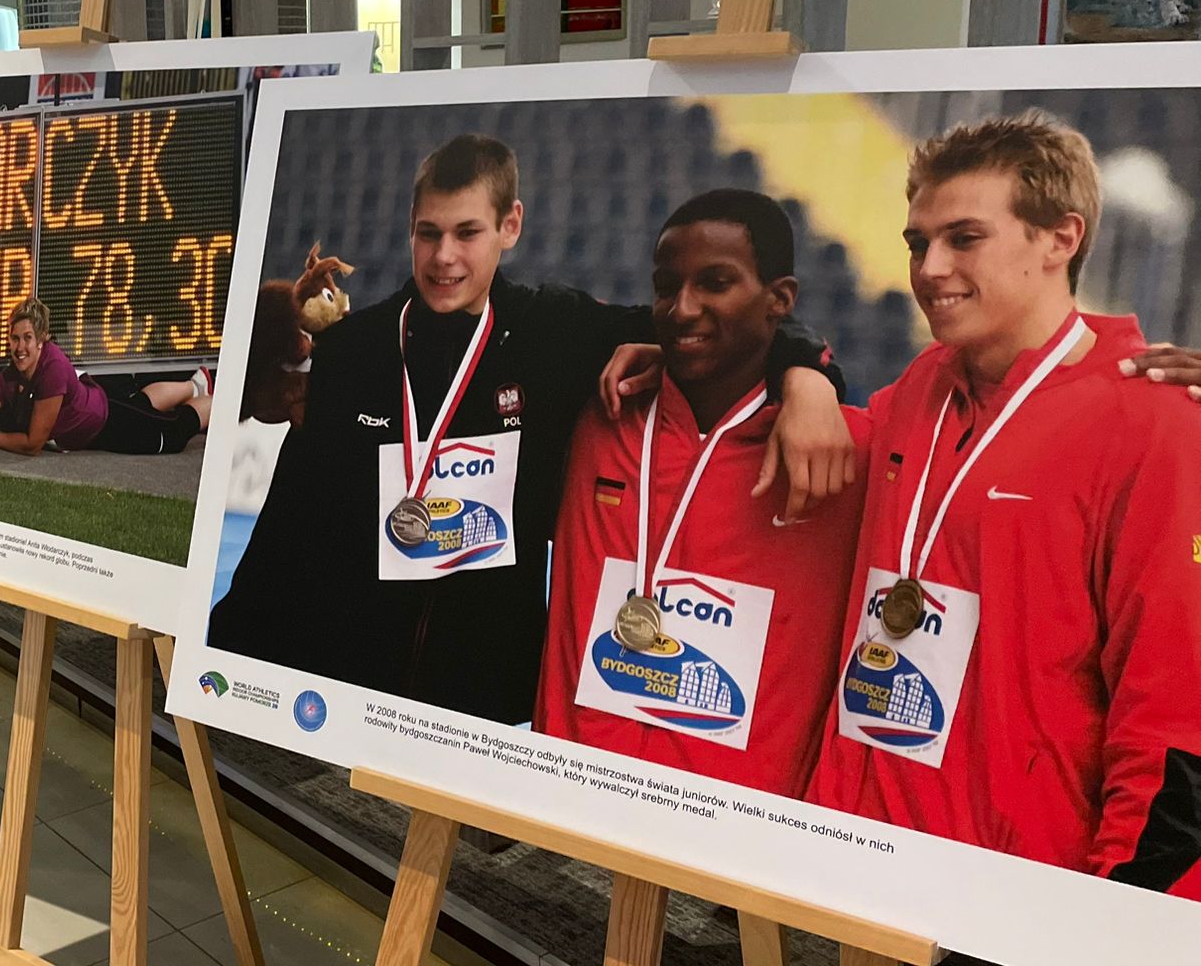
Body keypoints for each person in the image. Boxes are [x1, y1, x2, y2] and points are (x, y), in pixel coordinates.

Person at [206, 134, 849, 726]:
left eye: (468, 232)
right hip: (347, 695)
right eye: (429, 234)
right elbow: (287, 533)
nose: (444, 257)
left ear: (509, 225)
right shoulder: (355, 351)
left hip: (485, 710)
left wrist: (808, 378)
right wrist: (222, 672)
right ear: (410, 229)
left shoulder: (554, 334)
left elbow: (722, 327)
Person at [806, 111, 1201, 899]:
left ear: (1060, 238)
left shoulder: (1157, 421)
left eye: (965, 238)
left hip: (1012, 895)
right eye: (918, 242)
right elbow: (797, 448)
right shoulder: (922, 387)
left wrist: (1117, 916)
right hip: (854, 857)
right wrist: (795, 368)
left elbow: (1173, 719)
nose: (930, 268)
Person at [534, 190, 869, 798]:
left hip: (730, 831)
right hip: (566, 799)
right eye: (667, 286)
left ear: (780, 299)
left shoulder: (848, 454)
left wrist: (810, 375)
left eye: (715, 283)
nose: (683, 308)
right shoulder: (598, 414)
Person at [0, 297, 212, 457]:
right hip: (92, 410)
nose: (20, 347)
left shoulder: (52, 370)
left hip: (105, 422)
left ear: (41, 339)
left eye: (27, 338)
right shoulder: (12, 373)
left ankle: (221, 402)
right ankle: (194, 386)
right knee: (141, 403)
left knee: (175, 433)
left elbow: (33, 444)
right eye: (15, 338)